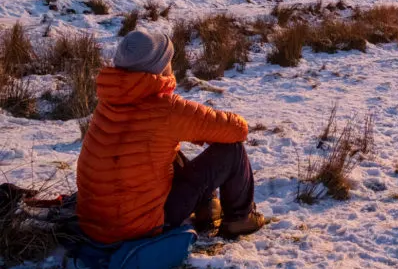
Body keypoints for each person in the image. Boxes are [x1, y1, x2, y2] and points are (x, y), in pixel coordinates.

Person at [76, 28, 266, 244]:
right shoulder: (166, 110)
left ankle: (207, 209)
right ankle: (240, 219)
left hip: (94, 224)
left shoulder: (108, 104)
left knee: (167, 151)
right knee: (232, 150)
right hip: (141, 227)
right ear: (159, 68)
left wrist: (196, 132)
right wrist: (208, 134)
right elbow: (237, 129)